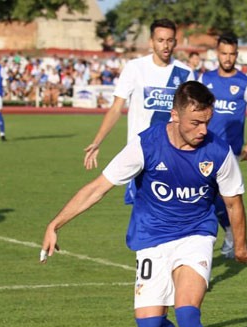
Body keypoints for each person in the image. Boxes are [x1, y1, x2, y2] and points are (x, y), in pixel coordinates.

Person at [41, 82, 247, 327]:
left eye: (207, 122)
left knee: (188, 311)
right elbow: (98, 188)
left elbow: (233, 203)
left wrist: (240, 249)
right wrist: (55, 224)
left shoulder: (218, 151)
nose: (203, 131)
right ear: (175, 115)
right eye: (195, 123)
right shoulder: (145, 145)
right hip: (152, 238)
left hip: (196, 235)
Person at [83, 19, 194, 205]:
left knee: (169, 208)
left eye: (170, 40)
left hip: (172, 152)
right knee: (140, 208)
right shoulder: (135, 68)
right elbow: (116, 108)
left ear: (175, 42)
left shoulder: (185, 73)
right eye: (160, 40)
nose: (165, 45)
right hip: (140, 151)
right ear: (151, 42)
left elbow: (190, 115)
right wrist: (97, 141)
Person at [199, 34, 247, 259]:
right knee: (205, 197)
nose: (227, 58)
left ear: (236, 55)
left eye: (231, 54)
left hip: (230, 151)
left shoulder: (245, 83)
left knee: (224, 197)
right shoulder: (205, 79)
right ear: (217, 54)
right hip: (203, 147)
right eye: (223, 53)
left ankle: (229, 238)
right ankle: (226, 234)